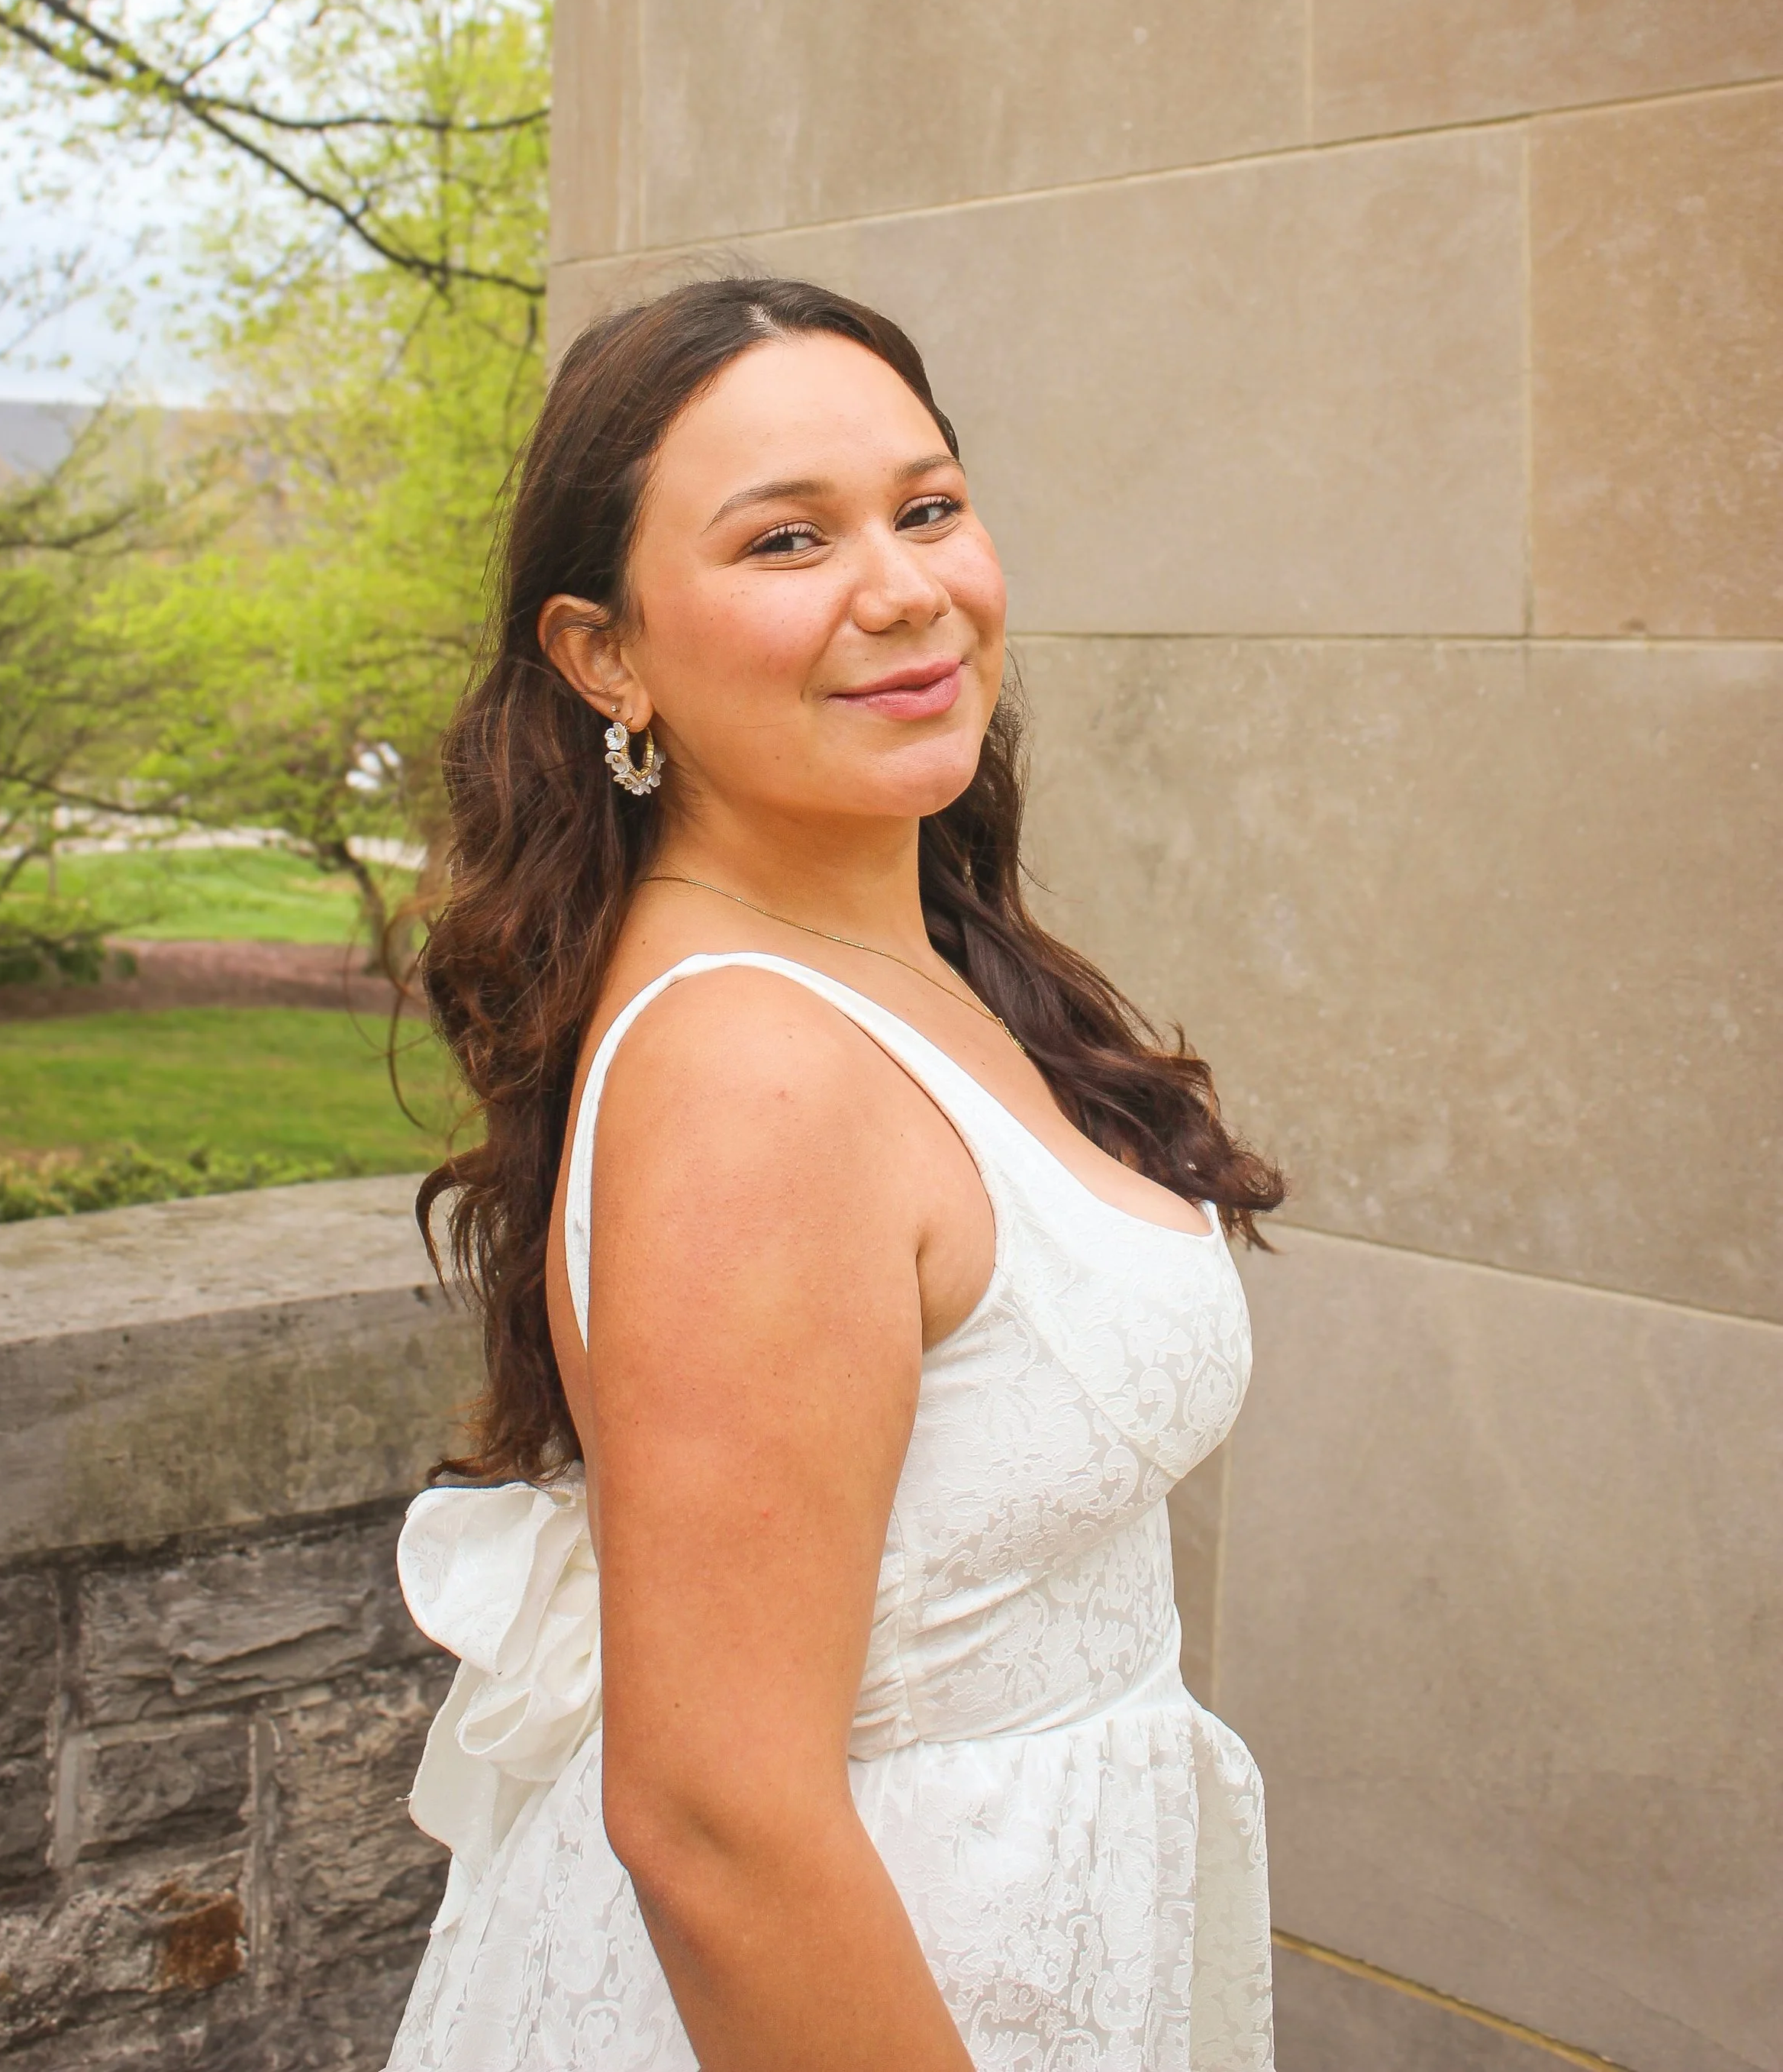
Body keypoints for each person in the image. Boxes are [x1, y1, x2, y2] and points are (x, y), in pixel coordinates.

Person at [386, 276, 1284, 2072]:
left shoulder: (898, 942)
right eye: (787, 539)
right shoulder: (753, 1079)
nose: (901, 588)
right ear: (604, 656)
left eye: (926, 506)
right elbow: (718, 1827)